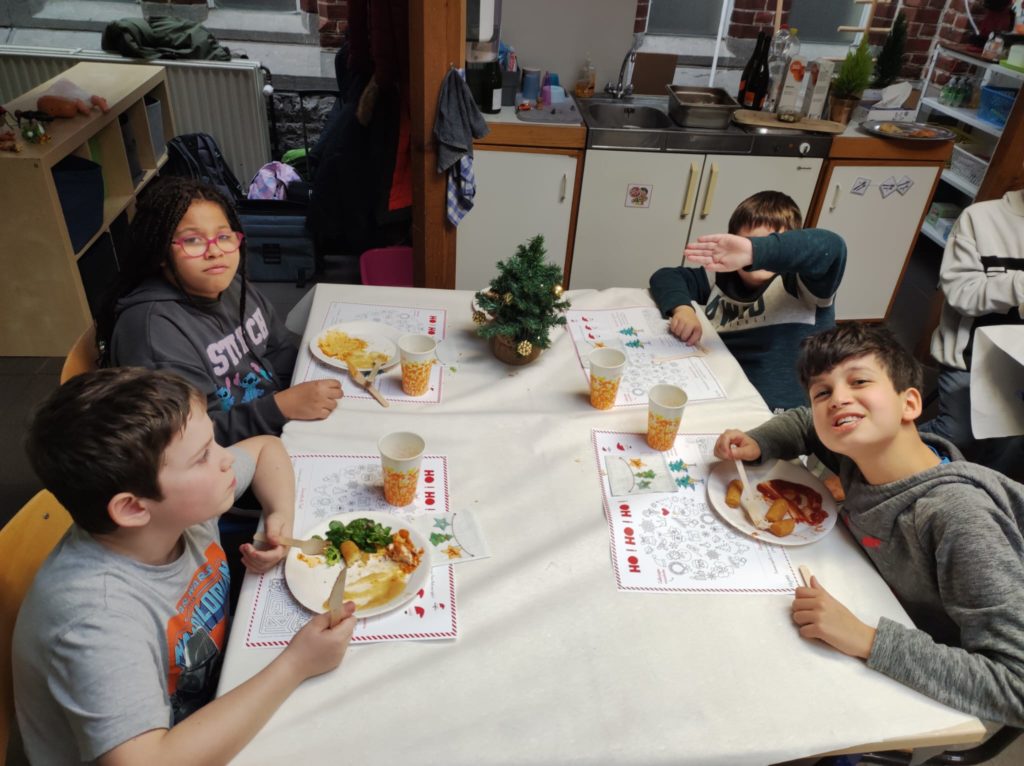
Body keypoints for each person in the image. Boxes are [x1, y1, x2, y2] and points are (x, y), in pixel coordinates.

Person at [14, 367, 358, 764]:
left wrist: (279, 516)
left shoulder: (170, 513)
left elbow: (266, 448)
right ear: (133, 508)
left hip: (212, 691)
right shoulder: (97, 618)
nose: (226, 459)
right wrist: (296, 664)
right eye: (202, 457)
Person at [714, 323, 1024, 726]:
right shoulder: (857, 453)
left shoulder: (957, 517)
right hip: (875, 603)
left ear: (909, 404)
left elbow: (1015, 685)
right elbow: (806, 424)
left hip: (933, 680)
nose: (838, 400)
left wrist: (866, 639)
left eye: (859, 381)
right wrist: (761, 442)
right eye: (822, 392)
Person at [97, 176, 342, 445]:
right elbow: (186, 439)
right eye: (193, 240)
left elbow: (279, 349)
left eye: (224, 236)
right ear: (160, 252)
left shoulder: (233, 286)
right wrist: (280, 408)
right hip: (223, 452)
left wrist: (310, 381)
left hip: (274, 421)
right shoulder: (154, 334)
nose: (215, 251)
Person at [649, 191, 846, 412]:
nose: (759, 259)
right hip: (721, 394)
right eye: (750, 242)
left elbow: (832, 247)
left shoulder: (802, 284)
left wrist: (756, 252)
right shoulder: (721, 278)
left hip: (781, 415)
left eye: (771, 245)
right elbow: (666, 276)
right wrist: (682, 309)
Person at [919, 187, 1024, 481]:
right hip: (970, 356)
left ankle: (981, 491)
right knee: (958, 435)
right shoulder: (980, 218)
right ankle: (875, 458)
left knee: (1013, 440)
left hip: (1019, 365)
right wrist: (1018, 285)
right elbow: (961, 294)